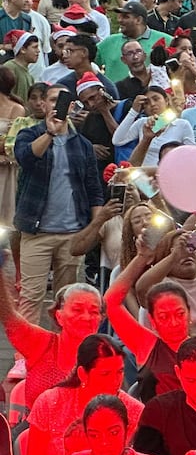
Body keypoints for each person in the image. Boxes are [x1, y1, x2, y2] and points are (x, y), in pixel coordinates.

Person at [12, 83, 106, 322]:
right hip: (37, 232)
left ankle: (64, 351)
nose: (56, 105)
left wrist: (94, 228)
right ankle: (24, 356)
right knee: (31, 298)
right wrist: (50, 133)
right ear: (44, 104)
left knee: (66, 302)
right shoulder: (30, 134)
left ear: (71, 106)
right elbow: (25, 157)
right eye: (52, 100)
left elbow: (93, 188)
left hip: (72, 235)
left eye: (62, 101)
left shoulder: (82, 145)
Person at [104, 236, 196, 398]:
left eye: (179, 314)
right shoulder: (146, 345)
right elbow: (110, 303)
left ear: (189, 315)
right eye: (163, 316)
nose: (173, 323)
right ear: (152, 321)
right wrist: (142, 258)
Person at [23, 334, 143, 455]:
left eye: (120, 372)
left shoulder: (134, 411)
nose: (115, 381)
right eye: (105, 374)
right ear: (82, 374)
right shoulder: (50, 403)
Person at [0, 270, 103, 405]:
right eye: (77, 310)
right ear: (59, 316)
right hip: (35, 425)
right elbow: (9, 316)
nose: (86, 317)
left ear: (101, 319)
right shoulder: (41, 344)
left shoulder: (108, 355)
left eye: (94, 311)